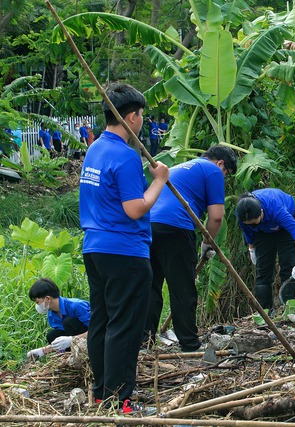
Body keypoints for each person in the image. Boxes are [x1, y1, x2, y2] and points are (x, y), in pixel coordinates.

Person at [79, 83, 169, 411]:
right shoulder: (125, 155)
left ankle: (103, 392)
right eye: (141, 115)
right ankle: (120, 401)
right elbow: (134, 208)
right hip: (125, 251)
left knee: (102, 322)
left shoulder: (95, 149)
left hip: (95, 249)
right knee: (125, 326)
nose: (142, 121)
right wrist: (159, 181)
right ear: (131, 117)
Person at [144, 145, 237, 352]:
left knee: (151, 286)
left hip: (149, 226)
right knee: (182, 287)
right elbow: (216, 216)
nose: (224, 177)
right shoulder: (212, 170)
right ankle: (188, 343)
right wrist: (207, 243)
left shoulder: (180, 167)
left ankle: (145, 342)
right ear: (221, 163)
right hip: (176, 227)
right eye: (227, 173)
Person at [235, 189, 295, 310]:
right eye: (250, 224)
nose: (253, 225)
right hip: (263, 232)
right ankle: (265, 312)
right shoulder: (242, 214)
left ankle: (289, 308)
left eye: (255, 222)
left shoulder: (276, 209)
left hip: (284, 226)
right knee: (263, 269)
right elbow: (248, 232)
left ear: (261, 212)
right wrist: (251, 248)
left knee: (288, 263)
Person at [26, 278, 91, 360]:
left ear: (48, 299)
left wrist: (72, 340)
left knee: (69, 322)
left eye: (37, 302)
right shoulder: (51, 316)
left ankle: (85, 356)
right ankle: (72, 357)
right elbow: (62, 341)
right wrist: (43, 351)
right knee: (52, 335)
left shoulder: (77, 306)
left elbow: (97, 330)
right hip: (76, 344)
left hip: (93, 341)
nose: (37, 305)